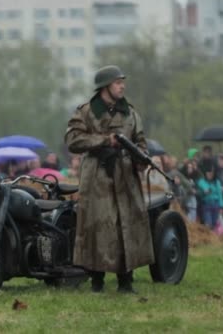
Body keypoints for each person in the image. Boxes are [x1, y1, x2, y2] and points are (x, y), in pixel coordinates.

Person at [64, 65, 153, 294]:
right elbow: (73, 141)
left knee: (127, 225)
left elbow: (140, 141)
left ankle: (126, 281)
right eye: (117, 82)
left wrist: (142, 159)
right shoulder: (86, 112)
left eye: (123, 81)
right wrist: (105, 141)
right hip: (97, 176)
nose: (122, 86)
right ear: (105, 87)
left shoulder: (131, 113)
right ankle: (97, 281)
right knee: (97, 226)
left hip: (126, 176)